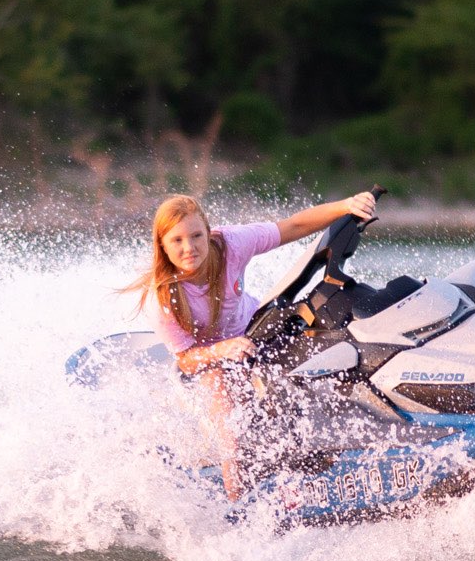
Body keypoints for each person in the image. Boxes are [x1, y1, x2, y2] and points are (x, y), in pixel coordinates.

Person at [133, 189, 378, 496]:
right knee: (226, 400)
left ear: (208, 233)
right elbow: (185, 359)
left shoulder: (231, 244)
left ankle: (339, 453)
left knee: (326, 347)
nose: (189, 248)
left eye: (196, 236)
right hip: (209, 360)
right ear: (163, 247)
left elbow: (292, 227)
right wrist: (222, 349)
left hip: (255, 331)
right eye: (177, 241)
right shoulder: (162, 298)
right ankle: (237, 500)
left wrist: (345, 205)